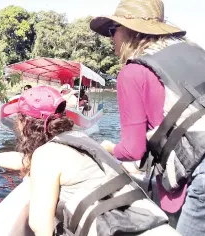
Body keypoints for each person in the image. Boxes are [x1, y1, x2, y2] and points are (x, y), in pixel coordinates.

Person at [0, 85, 179, 236]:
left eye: (18, 119)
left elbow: (41, 226)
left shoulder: (46, 155)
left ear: (25, 123)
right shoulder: (81, 140)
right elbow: (26, 161)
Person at [89, 0, 205, 235]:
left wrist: (107, 147)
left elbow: (133, 150)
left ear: (130, 32)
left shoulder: (133, 72)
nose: (111, 38)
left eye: (113, 30)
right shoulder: (196, 52)